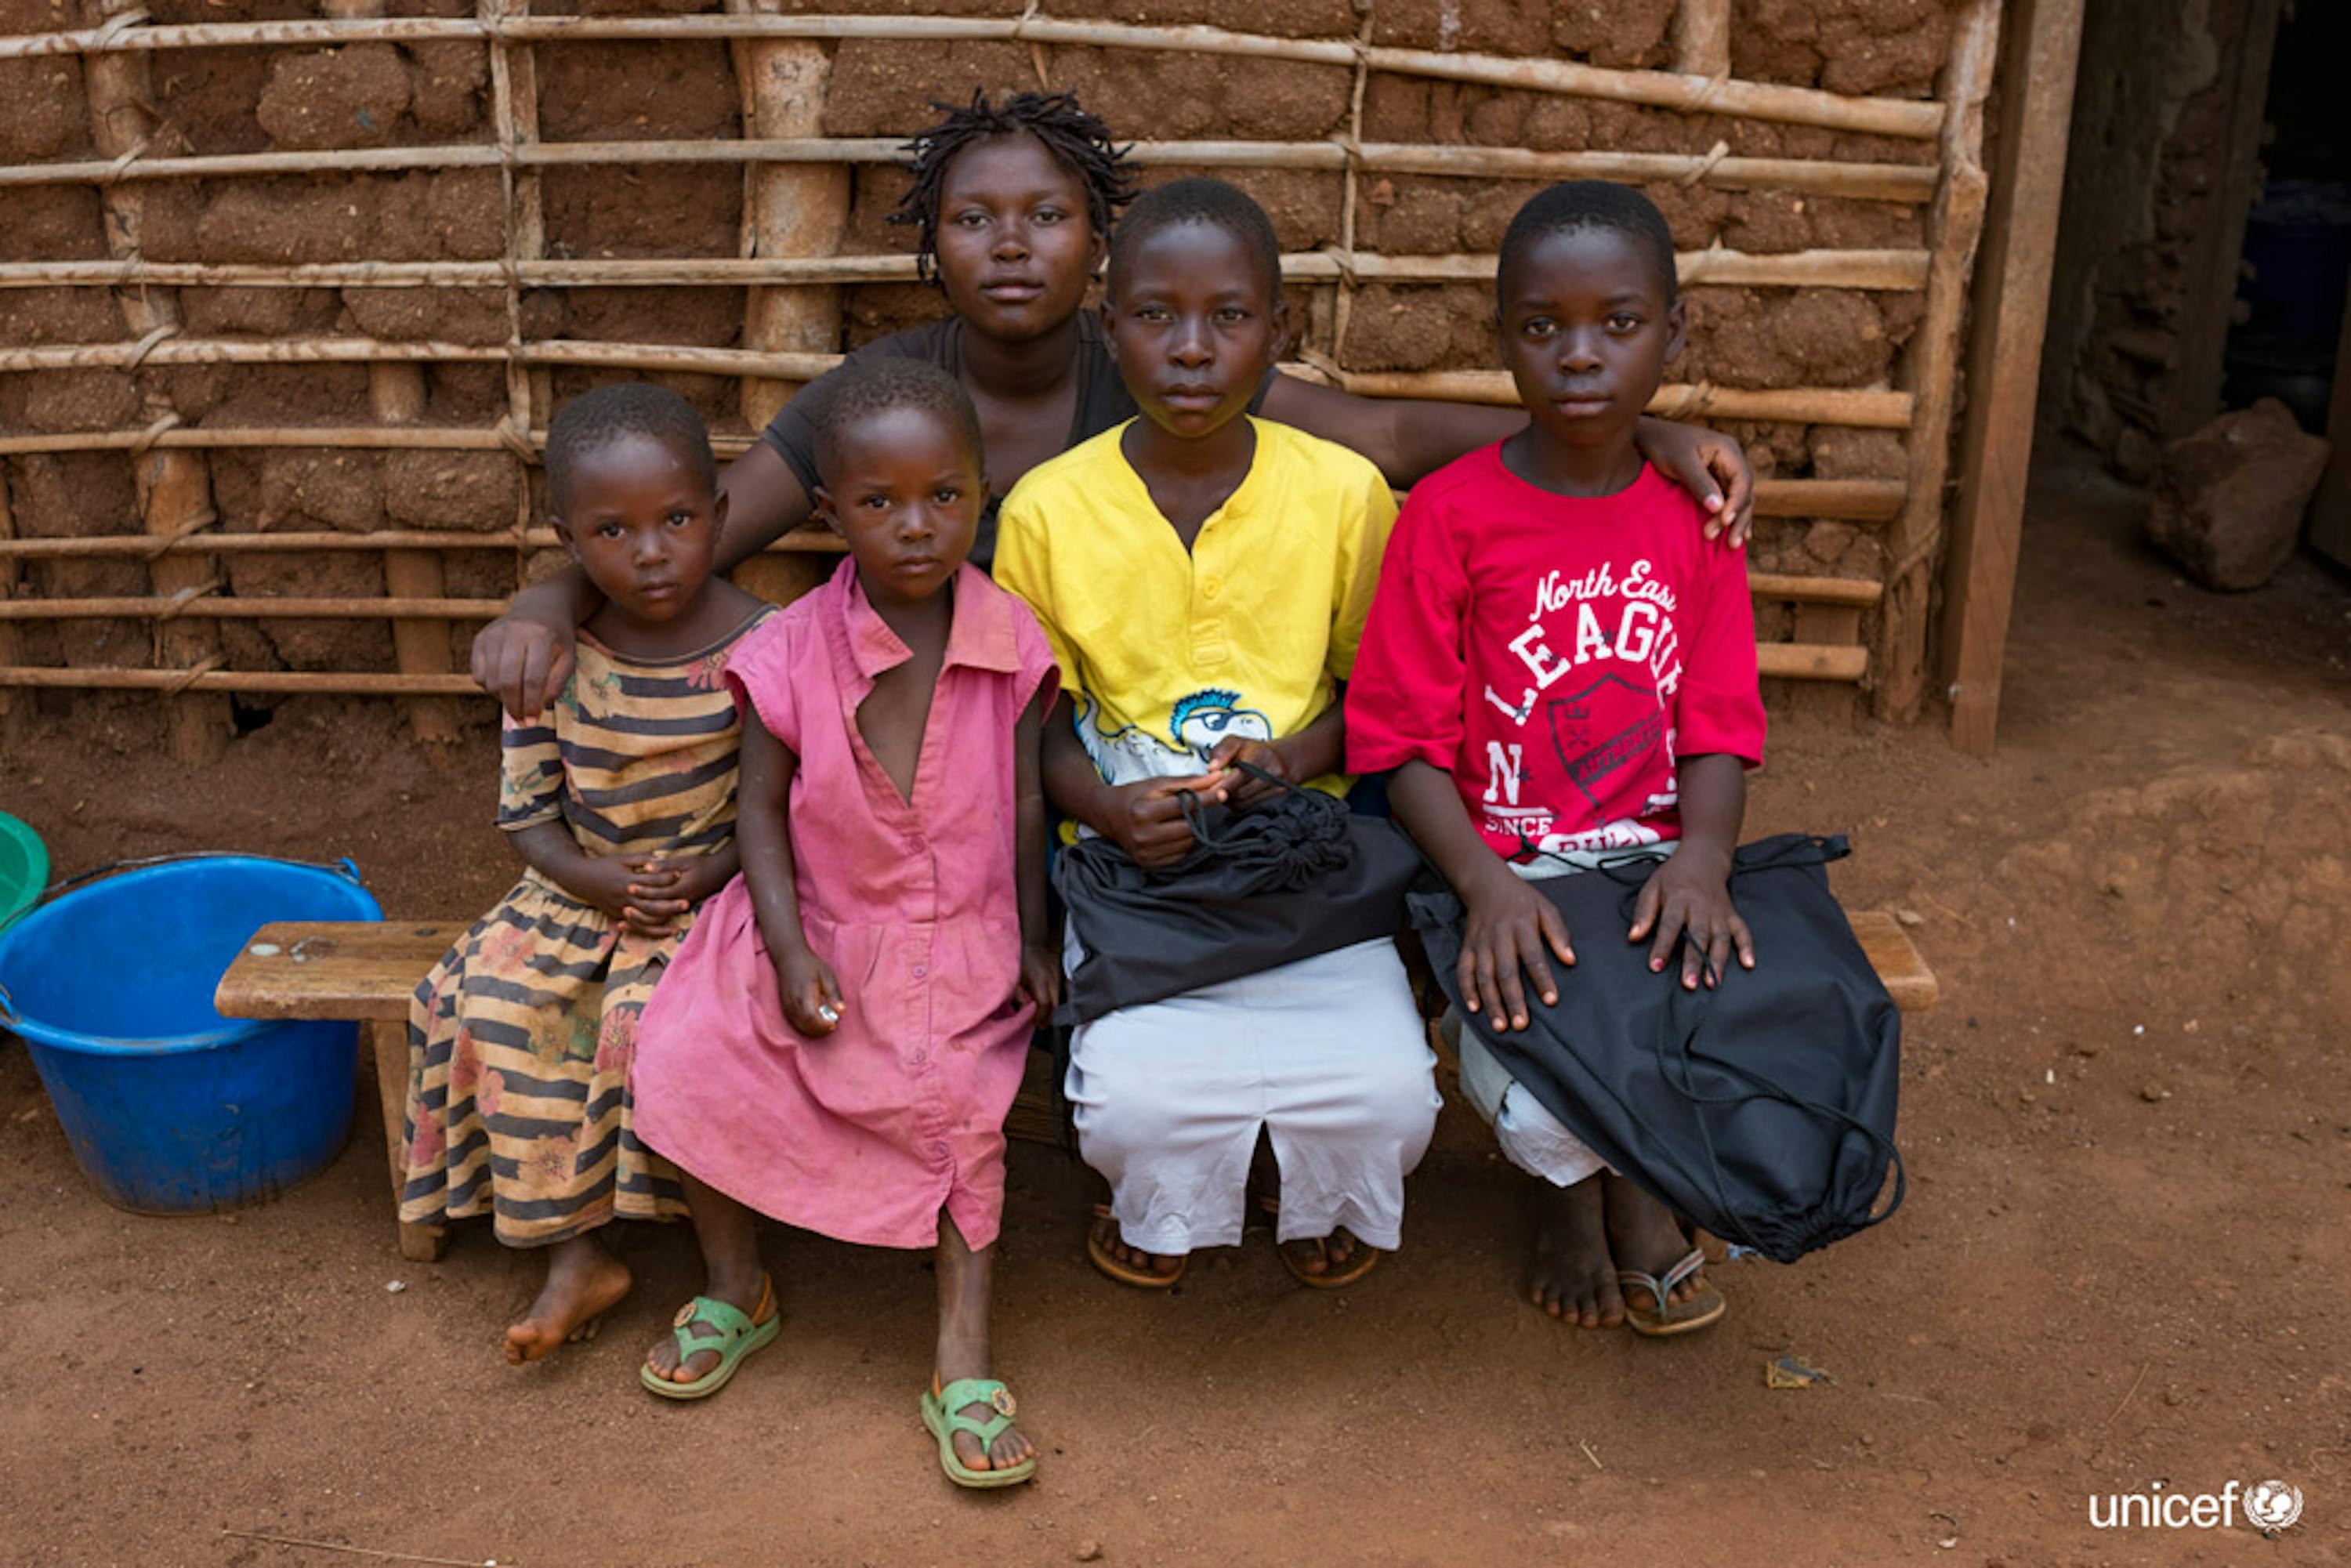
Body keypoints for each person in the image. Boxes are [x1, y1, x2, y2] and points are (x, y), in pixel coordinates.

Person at [469, 90, 1759, 721]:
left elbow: (1394, 438)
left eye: (1047, 216)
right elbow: (688, 534)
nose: (1012, 246)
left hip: (1118, 737)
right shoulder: (875, 402)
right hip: (932, 733)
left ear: (1100, 243)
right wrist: (543, 595)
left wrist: (1638, 432)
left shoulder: (1153, 368)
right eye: (975, 220)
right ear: (934, 249)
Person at [994, 177, 1440, 1290]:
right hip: (1129, 872)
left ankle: (1312, 1185)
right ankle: (1165, 1191)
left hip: (1307, 864)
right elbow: (1029, 729)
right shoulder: (1047, 511)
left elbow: (1375, 699)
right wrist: (1103, 806)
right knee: (1138, 1107)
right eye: (1155, 316)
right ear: (1111, 331)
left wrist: (1290, 761)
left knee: (1389, 1099)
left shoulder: (1343, 495)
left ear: (1278, 333)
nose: (1191, 349)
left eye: (1229, 317)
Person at [1343, 182, 1768, 1337]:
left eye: (1620, 325)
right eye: (1543, 329)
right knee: (1538, 1027)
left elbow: (1719, 722)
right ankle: (1574, 1204)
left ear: (1673, 335)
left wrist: (1705, 859)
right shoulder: (1451, 514)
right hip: (1499, 862)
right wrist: (1484, 884)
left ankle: (1634, 1193)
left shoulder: (1695, 519)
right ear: (1504, 341)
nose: (1581, 357)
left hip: (1648, 863)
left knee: (1716, 1018)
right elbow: (1399, 745)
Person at [628, 360, 1060, 1490]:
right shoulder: (786, 650)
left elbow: (1025, 804)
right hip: (814, 916)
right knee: (688, 1053)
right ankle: (738, 1286)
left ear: (981, 493)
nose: (915, 528)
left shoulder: (1012, 641)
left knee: (960, 1103)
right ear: (829, 513)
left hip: (960, 930)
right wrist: (783, 950)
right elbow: (759, 810)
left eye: (944, 497)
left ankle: (959, 1353)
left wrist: (1037, 936)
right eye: (878, 503)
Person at [399, 383, 773, 1363]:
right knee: (489, 997)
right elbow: (527, 817)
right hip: (576, 888)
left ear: (721, 517)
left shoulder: (766, 647)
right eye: (614, 530)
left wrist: (705, 873)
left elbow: (782, 813)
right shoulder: (550, 658)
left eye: (679, 520)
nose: (651, 551)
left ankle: (727, 1266)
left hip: (718, 895)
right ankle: (575, 1249)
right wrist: (596, 880)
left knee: (653, 1024)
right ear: (570, 540)